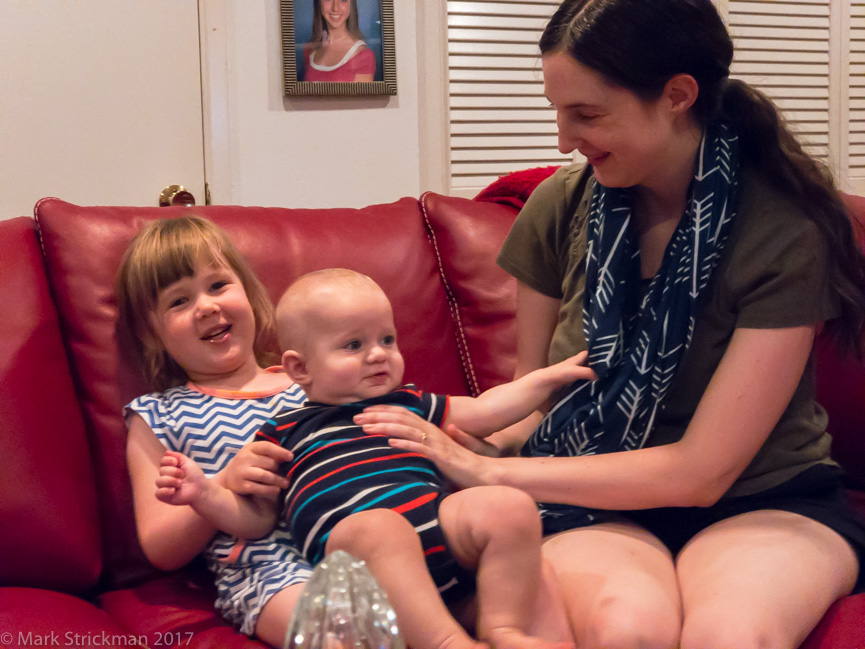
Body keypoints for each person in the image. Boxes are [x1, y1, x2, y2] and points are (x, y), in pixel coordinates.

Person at [354, 1, 865, 648]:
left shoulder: (782, 228)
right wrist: (432, 453)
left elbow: (699, 471)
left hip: (760, 497)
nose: (563, 139)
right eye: (557, 110)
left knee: (726, 635)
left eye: (587, 114)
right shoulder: (558, 205)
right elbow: (531, 397)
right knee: (626, 629)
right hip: (584, 487)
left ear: (678, 95)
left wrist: (489, 473)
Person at [157, 268, 593, 649]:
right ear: (300, 369)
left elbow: (485, 412)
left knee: (508, 504)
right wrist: (206, 494)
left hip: (439, 528)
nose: (379, 353)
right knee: (380, 527)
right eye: (353, 345)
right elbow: (256, 519)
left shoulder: (408, 401)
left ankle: (504, 628)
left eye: (387, 339)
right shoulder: (283, 430)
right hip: (360, 556)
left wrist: (547, 379)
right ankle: (446, 642)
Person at [117, 215, 314, 648]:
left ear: (249, 291)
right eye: (178, 301)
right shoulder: (157, 416)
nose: (206, 306)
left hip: (367, 536)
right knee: (339, 631)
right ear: (151, 333)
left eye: (218, 285)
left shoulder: (311, 380)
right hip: (269, 571)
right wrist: (219, 482)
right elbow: (160, 546)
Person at [303, 0, 375, 82]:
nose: (335, 8)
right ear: (318, 3)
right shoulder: (309, 50)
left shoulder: (364, 56)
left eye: (343, 0)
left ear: (351, 4)